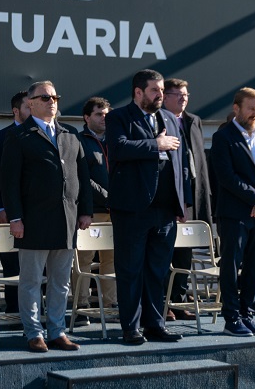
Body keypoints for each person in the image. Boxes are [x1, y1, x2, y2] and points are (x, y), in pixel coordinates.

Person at [0, 80, 93, 353]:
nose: (51, 101)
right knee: (31, 281)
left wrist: (85, 210)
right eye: (44, 97)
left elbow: (82, 177)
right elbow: (9, 182)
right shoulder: (19, 136)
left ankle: (57, 331)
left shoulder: (70, 134)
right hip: (33, 221)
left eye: (54, 97)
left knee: (60, 281)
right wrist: (15, 218)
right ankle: (33, 333)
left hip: (66, 220)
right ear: (30, 103)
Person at [105, 69, 190, 345]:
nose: (160, 95)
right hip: (132, 209)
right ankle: (131, 328)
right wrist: (156, 144)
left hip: (164, 210)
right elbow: (119, 148)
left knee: (158, 271)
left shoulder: (170, 119)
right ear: (138, 92)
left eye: (162, 90)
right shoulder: (119, 117)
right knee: (130, 270)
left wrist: (182, 201)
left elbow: (181, 163)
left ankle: (155, 324)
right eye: (155, 90)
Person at [211, 87, 255, 337]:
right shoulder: (223, 137)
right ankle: (231, 319)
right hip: (234, 215)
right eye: (251, 108)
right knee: (231, 267)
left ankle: (247, 315)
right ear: (236, 108)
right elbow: (226, 177)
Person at [161, 78, 212, 321]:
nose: (183, 98)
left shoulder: (194, 121)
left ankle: (179, 302)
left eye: (186, 94)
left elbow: (198, 163)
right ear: (165, 97)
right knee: (165, 254)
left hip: (191, 198)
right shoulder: (158, 120)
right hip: (169, 199)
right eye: (178, 94)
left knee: (184, 254)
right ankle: (163, 304)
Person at [0, 91, 30, 315]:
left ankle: (36, 310)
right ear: (16, 110)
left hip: (37, 211)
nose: (33, 110)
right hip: (9, 212)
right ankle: (14, 309)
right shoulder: (0, 137)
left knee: (39, 266)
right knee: (12, 263)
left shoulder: (45, 134)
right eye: (28, 106)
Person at [72, 97, 117, 325]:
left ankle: (110, 305)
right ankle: (81, 306)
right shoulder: (79, 140)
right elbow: (83, 178)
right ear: (87, 117)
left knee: (111, 260)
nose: (104, 119)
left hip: (116, 211)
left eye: (107, 115)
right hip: (90, 211)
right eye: (99, 114)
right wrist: (109, 197)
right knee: (84, 260)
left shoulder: (116, 140)